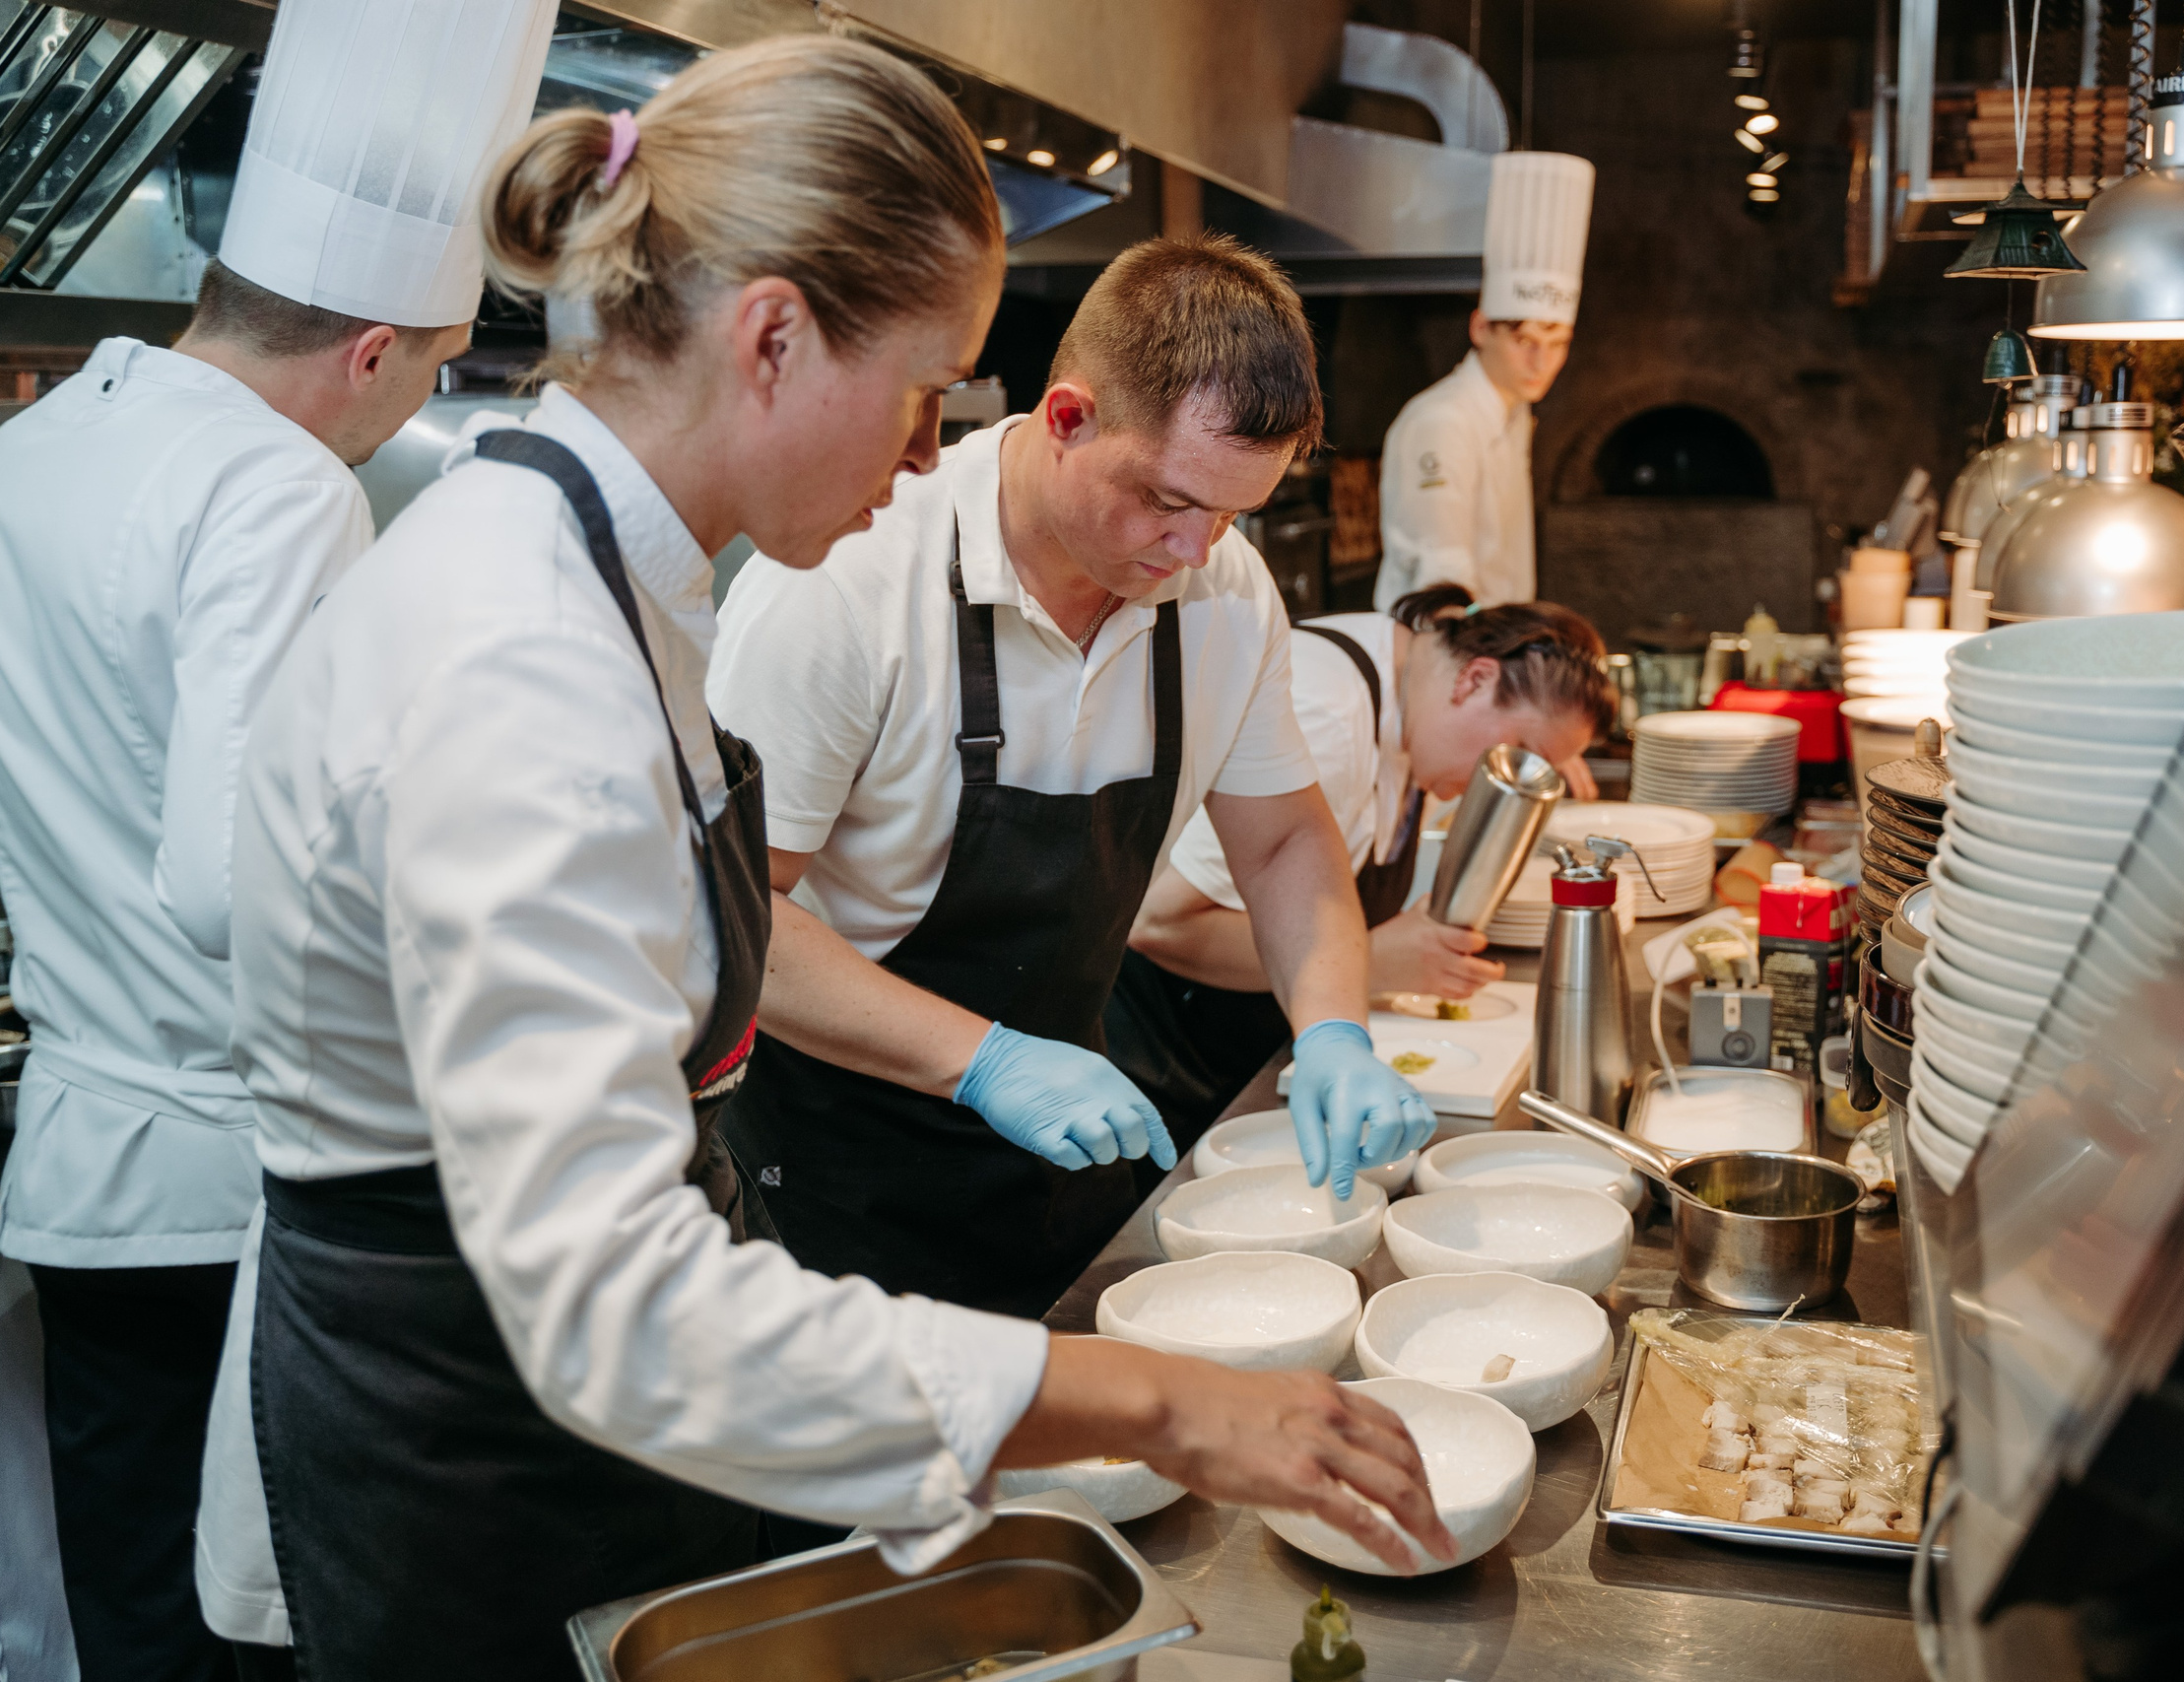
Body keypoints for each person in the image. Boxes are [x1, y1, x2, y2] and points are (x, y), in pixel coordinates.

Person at [217, 39, 1449, 1679]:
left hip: (610, 1410)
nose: (931, 451)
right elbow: (616, 1305)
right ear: (772, 338)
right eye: (927, 387)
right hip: (465, 1441)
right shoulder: (518, 659)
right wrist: (1161, 1400)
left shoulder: (607, 586)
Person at [0, 3, 551, 1674]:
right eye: (429, 370)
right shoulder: (283, 488)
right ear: (373, 350)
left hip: (87, 1184)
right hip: (235, 1205)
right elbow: (243, 882)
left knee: (142, 1627)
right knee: (264, 1641)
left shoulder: (28, 450)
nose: (410, 406)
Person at [708, 234, 1436, 1319]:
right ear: (1066, 417)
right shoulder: (849, 578)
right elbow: (727, 919)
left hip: (1057, 1156)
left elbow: (1285, 839)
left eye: (1230, 514)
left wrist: (1332, 1026)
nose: (1195, 550)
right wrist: (987, 1062)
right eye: (1168, 499)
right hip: (834, 1171)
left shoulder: (1225, 593)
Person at [1107, 584, 1610, 1147]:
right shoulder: (1324, 714)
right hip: (1158, 1062)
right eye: (1518, 752)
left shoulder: (1409, 703)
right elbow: (1158, 923)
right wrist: (1371, 959)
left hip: (1246, 1046)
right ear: (1476, 679)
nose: (1502, 779)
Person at [1373, 151, 1595, 616]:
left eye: (1557, 343)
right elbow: (1444, 583)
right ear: (1480, 328)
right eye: (1524, 340)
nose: (1541, 362)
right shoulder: (1443, 422)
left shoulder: (1514, 414)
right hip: (1446, 648)